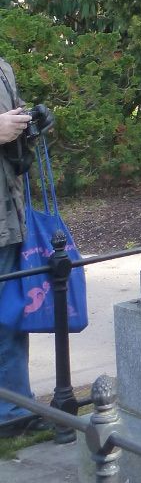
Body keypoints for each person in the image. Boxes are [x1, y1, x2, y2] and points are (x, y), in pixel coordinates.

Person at [0, 57, 41, 437]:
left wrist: (29, 127)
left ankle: (16, 407)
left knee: (11, 318)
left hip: (9, 216)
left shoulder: (3, 68)